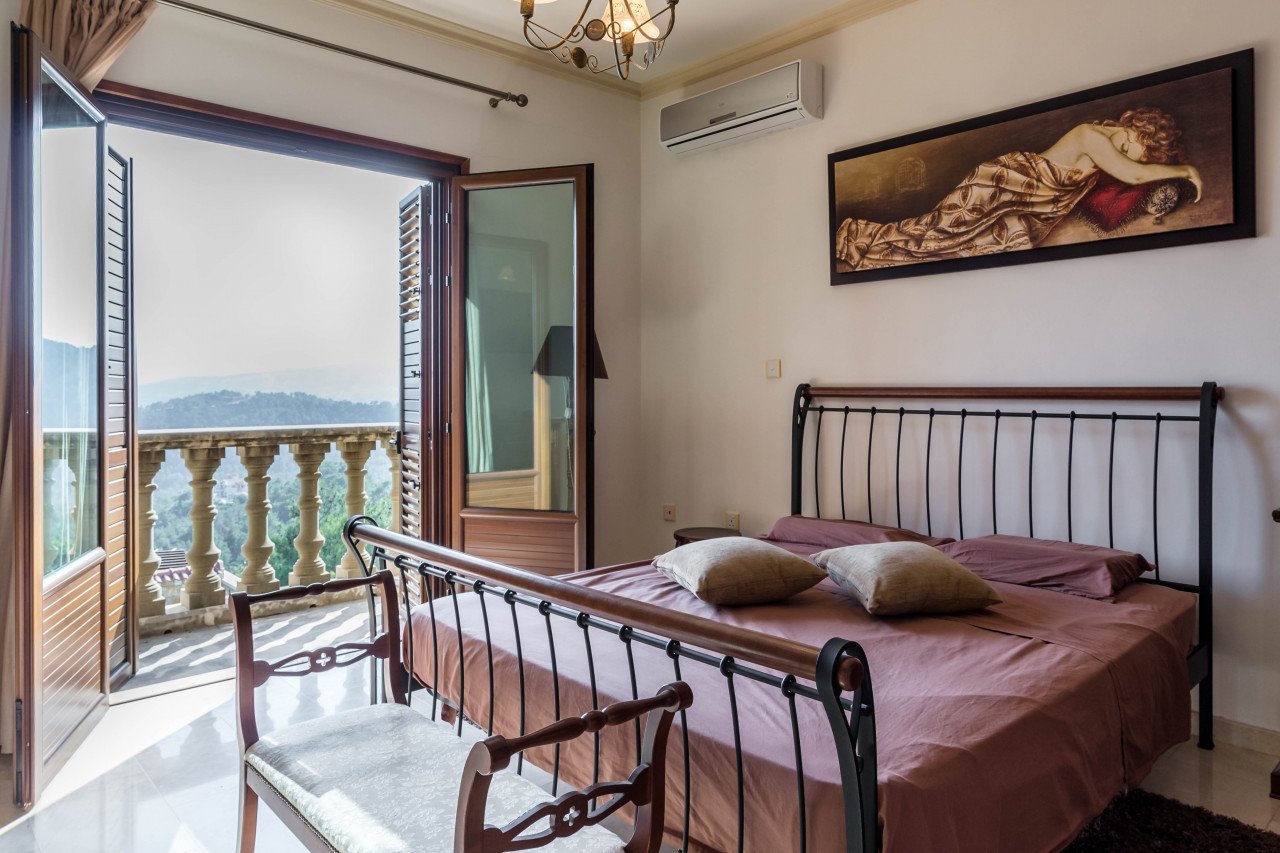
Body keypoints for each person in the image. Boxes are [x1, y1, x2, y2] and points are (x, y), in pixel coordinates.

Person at [834, 107, 1202, 271]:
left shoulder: (1105, 148)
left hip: (1017, 200)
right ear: (1139, 131)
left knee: (982, 245)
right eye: (1145, 153)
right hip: (1000, 183)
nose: (1141, 161)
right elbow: (1133, 175)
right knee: (936, 233)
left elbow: (1128, 180)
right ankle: (858, 237)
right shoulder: (1091, 136)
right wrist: (1186, 170)